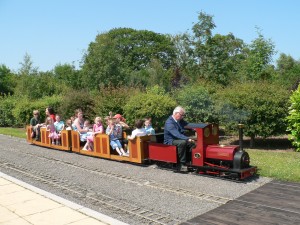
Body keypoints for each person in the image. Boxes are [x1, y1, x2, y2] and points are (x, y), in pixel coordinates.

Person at [164, 106, 196, 172]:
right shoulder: (169, 122)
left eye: (183, 115)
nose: (182, 117)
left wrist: (196, 128)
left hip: (178, 138)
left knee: (193, 143)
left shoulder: (180, 120)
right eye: (181, 115)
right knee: (182, 143)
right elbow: (176, 134)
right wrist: (187, 139)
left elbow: (188, 125)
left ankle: (190, 160)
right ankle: (181, 164)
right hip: (170, 140)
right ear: (176, 113)